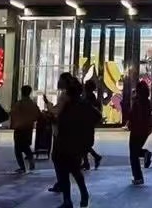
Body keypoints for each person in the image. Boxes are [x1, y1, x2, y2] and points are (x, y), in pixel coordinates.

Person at [52, 74, 92, 208]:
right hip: (75, 142)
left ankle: (68, 200)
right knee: (75, 170)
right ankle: (83, 194)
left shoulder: (68, 105)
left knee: (64, 170)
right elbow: (95, 117)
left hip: (64, 142)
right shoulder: (82, 104)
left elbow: (60, 119)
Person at [10, 84, 41, 173]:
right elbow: (37, 115)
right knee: (26, 146)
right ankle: (31, 161)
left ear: (21, 92)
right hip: (28, 128)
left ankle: (22, 167)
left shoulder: (19, 104)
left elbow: (13, 114)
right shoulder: (32, 104)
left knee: (18, 149)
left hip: (19, 128)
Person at [128, 81, 152, 184]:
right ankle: (145, 153)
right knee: (136, 151)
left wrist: (130, 123)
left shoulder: (137, 102)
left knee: (133, 154)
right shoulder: (147, 102)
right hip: (145, 130)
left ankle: (138, 177)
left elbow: (133, 115)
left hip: (136, 130)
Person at [82, 81, 104, 170]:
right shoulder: (92, 98)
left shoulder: (89, 99)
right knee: (84, 144)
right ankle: (87, 162)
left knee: (84, 144)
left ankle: (94, 158)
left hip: (86, 123)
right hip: (89, 123)